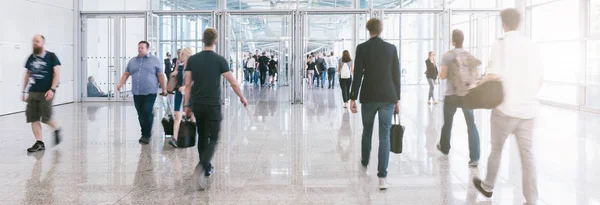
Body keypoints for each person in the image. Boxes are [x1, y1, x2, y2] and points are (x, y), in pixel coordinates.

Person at [472, 9, 543, 205]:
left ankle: (487, 187)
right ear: (519, 23)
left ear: (503, 24)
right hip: (528, 111)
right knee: (527, 157)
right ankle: (531, 200)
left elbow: (493, 74)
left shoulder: (500, 43)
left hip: (505, 109)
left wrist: (477, 84)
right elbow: (540, 77)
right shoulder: (530, 44)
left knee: (496, 149)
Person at [183, 28, 248, 189]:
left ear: (202, 40)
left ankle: (206, 168)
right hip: (213, 105)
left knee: (202, 136)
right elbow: (233, 82)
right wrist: (241, 97)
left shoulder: (192, 60)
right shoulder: (220, 60)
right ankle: (202, 165)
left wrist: (186, 105)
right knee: (214, 138)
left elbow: (187, 85)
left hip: (197, 104)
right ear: (216, 41)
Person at [350, 18, 401, 190]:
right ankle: (382, 177)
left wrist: (352, 97)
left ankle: (365, 160)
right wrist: (398, 99)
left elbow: (357, 75)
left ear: (368, 30)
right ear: (381, 29)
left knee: (367, 131)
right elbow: (396, 76)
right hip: (388, 97)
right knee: (384, 135)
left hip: (369, 96)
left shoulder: (362, 48)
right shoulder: (391, 49)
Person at [436, 29, 481, 167]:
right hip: (467, 94)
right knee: (471, 124)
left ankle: (444, 148)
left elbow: (443, 75)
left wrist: (440, 74)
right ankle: (474, 157)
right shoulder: (469, 55)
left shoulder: (448, 56)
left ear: (453, 41)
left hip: (451, 94)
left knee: (448, 123)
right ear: (463, 40)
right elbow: (476, 75)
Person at [117, 41, 167, 145]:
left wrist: (164, 88)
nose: (140, 49)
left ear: (147, 49)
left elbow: (160, 75)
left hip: (150, 91)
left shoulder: (155, 60)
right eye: (139, 47)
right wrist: (121, 83)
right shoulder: (132, 61)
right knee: (140, 114)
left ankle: (146, 135)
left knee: (146, 110)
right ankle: (144, 132)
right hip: (137, 92)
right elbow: (126, 73)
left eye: (142, 48)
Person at [22, 35, 63, 152]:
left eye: (37, 41)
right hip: (32, 92)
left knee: (46, 118)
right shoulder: (31, 57)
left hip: (46, 92)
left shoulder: (52, 57)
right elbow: (27, 74)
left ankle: (56, 129)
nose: (34, 43)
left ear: (43, 42)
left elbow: (57, 74)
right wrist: (23, 91)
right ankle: (39, 143)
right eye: (33, 41)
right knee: (33, 118)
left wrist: (52, 89)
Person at [167, 47, 194, 148]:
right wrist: (175, 70)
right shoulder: (180, 66)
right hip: (179, 93)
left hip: (189, 93)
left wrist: (185, 87)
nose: (180, 56)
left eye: (182, 54)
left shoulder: (193, 66)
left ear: (187, 55)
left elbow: (194, 80)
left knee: (191, 116)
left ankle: (193, 135)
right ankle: (175, 138)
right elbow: (173, 75)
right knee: (177, 115)